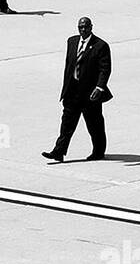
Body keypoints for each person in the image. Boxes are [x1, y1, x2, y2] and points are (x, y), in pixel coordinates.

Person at [41, 17, 113, 162]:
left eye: (86, 27)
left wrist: (99, 87)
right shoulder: (72, 42)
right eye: (80, 27)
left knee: (95, 125)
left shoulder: (101, 45)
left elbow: (105, 69)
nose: (83, 30)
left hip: (90, 93)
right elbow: (69, 65)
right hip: (72, 92)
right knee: (67, 124)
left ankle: (98, 151)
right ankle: (58, 152)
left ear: (91, 27)